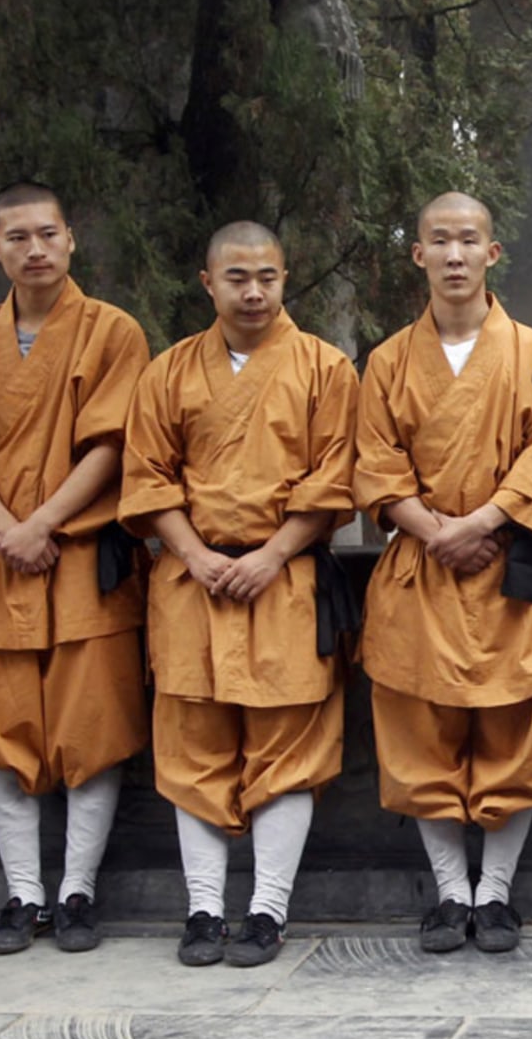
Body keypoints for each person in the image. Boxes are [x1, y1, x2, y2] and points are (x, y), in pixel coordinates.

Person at [119, 221, 358, 969]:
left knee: (288, 746)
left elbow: (336, 478)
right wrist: (190, 553)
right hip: (191, 583)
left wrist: (273, 552)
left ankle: (266, 910)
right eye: (237, 279)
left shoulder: (325, 368)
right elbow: (147, 475)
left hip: (285, 579)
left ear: (286, 279)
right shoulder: (167, 372)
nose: (253, 293)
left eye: (268, 278)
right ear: (208, 283)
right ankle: (202, 911)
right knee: (192, 746)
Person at [355, 193, 532, 955]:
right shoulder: (387, 361)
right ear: (417, 255)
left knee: (513, 731)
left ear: (493, 254)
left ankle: (497, 894)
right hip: (421, 568)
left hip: (503, 566)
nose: (455, 255)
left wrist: (481, 524)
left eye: (469, 241)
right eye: (440, 242)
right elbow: (375, 464)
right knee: (422, 735)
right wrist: (436, 531)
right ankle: (451, 894)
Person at [0, 182, 151, 955]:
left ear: (71, 241)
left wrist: (42, 523)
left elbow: (112, 443)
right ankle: (22, 893)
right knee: (2, 730)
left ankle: (76, 891)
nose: (35, 250)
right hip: (1, 561)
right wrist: (7, 529)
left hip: (80, 555)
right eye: (17, 237)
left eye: (49, 234)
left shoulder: (113, 332)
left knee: (88, 729)